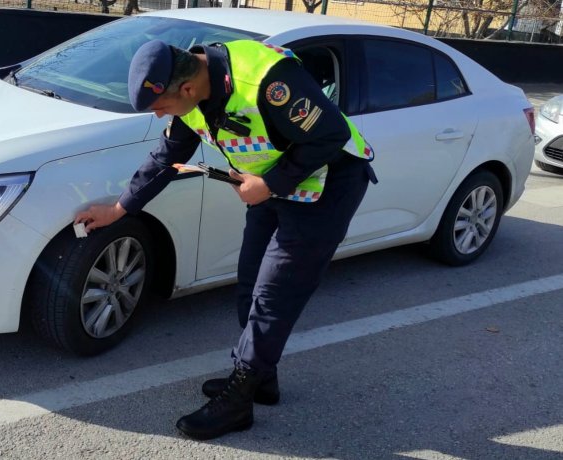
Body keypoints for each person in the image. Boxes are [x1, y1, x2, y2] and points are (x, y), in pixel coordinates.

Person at [74, 39, 377, 440]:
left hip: (326, 184)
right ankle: (260, 380)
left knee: (275, 293)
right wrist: (119, 209)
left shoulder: (267, 81)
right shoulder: (191, 88)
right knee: (250, 283)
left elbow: (330, 134)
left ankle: (239, 400)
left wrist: (269, 184)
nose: (160, 115)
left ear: (186, 89)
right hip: (271, 185)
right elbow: (167, 156)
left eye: (160, 107)